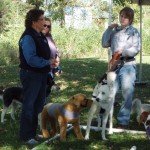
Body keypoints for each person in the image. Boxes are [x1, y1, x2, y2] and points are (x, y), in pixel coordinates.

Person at [18, 9, 56, 145]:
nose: (44, 22)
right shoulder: (28, 37)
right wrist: (47, 62)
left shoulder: (39, 35)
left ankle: (32, 134)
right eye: (41, 19)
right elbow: (31, 59)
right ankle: (26, 136)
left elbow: (43, 54)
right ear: (34, 22)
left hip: (41, 75)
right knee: (29, 104)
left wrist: (51, 61)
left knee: (38, 105)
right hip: (31, 75)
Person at [102, 7, 141, 128]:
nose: (122, 18)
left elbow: (136, 49)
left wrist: (122, 52)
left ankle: (123, 121)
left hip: (128, 66)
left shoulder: (134, 32)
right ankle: (105, 119)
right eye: (121, 16)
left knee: (127, 94)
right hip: (114, 66)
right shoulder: (114, 31)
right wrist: (109, 29)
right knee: (109, 93)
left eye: (125, 17)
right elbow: (104, 43)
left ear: (130, 19)